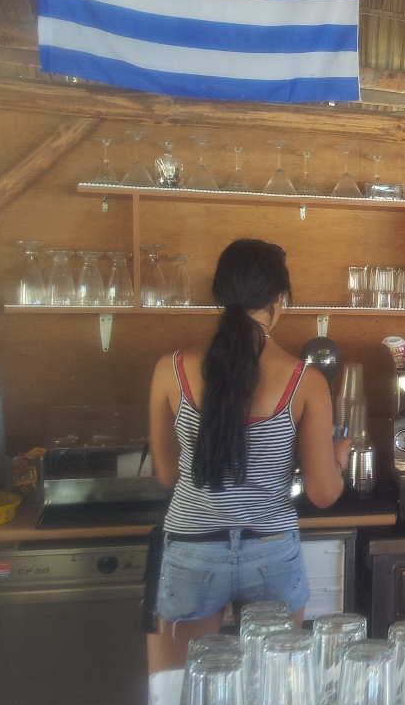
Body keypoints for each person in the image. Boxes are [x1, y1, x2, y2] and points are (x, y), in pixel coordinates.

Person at [148, 239, 350, 670]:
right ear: (280, 300)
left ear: (220, 295)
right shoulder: (306, 381)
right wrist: (339, 458)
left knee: (185, 694)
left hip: (192, 549)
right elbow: (323, 493)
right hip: (270, 550)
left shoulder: (170, 369)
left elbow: (166, 474)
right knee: (273, 696)